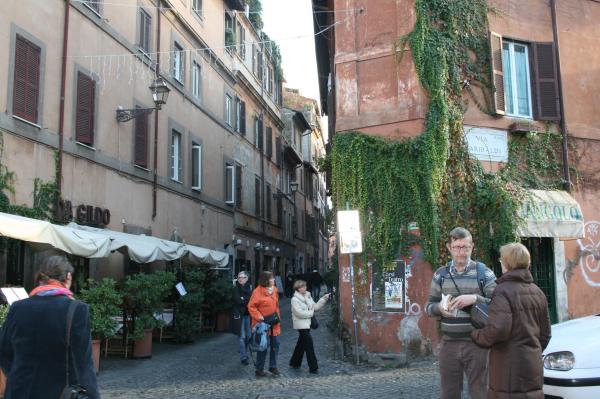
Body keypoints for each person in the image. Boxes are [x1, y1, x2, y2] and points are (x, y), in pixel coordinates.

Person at [0, 250, 99, 399]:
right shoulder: (77, 310)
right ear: (68, 277)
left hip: (19, 391)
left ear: (40, 278)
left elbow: (4, 352)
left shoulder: (17, 307)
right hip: (58, 393)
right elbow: (84, 364)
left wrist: (17, 376)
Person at [472, 243, 551, 399]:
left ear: (507, 264)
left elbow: (498, 330)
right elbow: (546, 334)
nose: (501, 263)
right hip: (532, 364)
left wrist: (477, 335)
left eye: (502, 260)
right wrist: (530, 351)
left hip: (508, 368)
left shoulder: (502, 291)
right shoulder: (538, 291)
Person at [425, 227, 497, 399]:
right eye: (457, 247)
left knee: (480, 393)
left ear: (472, 246)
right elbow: (429, 307)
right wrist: (439, 309)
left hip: (477, 345)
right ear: (449, 248)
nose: (461, 252)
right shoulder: (440, 275)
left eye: (465, 247)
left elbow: (498, 304)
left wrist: (474, 299)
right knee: (449, 394)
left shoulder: (484, 273)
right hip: (449, 345)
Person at [289, 279, 330, 374]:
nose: (304, 288)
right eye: (302, 286)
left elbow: (314, 307)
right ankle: (313, 367)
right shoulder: (294, 299)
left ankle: (294, 362)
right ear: (298, 288)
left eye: (305, 286)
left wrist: (323, 299)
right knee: (309, 344)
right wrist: (311, 313)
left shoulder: (308, 296)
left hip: (307, 324)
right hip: (300, 324)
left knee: (301, 343)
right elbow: (298, 313)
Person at [248, 271, 281, 377]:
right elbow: (251, 306)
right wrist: (259, 317)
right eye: (272, 278)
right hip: (262, 324)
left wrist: (277, 317)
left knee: (275, 344)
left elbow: (276, 305)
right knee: (263, 346)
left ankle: (273, 366)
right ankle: (259, 369)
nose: (274, 280)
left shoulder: (275, 290)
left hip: (274, 323)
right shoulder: (257, 292)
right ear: (266, 280)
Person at [231, 271, 252, 365]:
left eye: (242, 277)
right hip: (239, 315)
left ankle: (241, 348)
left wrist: (244, 299)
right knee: (241, 336)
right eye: (239, 277)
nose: (240, 279)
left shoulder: (250, 288)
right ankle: (244, 356)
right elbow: (238, 300)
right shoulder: (235, 288)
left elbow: (251, 300)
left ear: (247, 278)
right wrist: (244, 300)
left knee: (249, 336)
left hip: (248, 314)